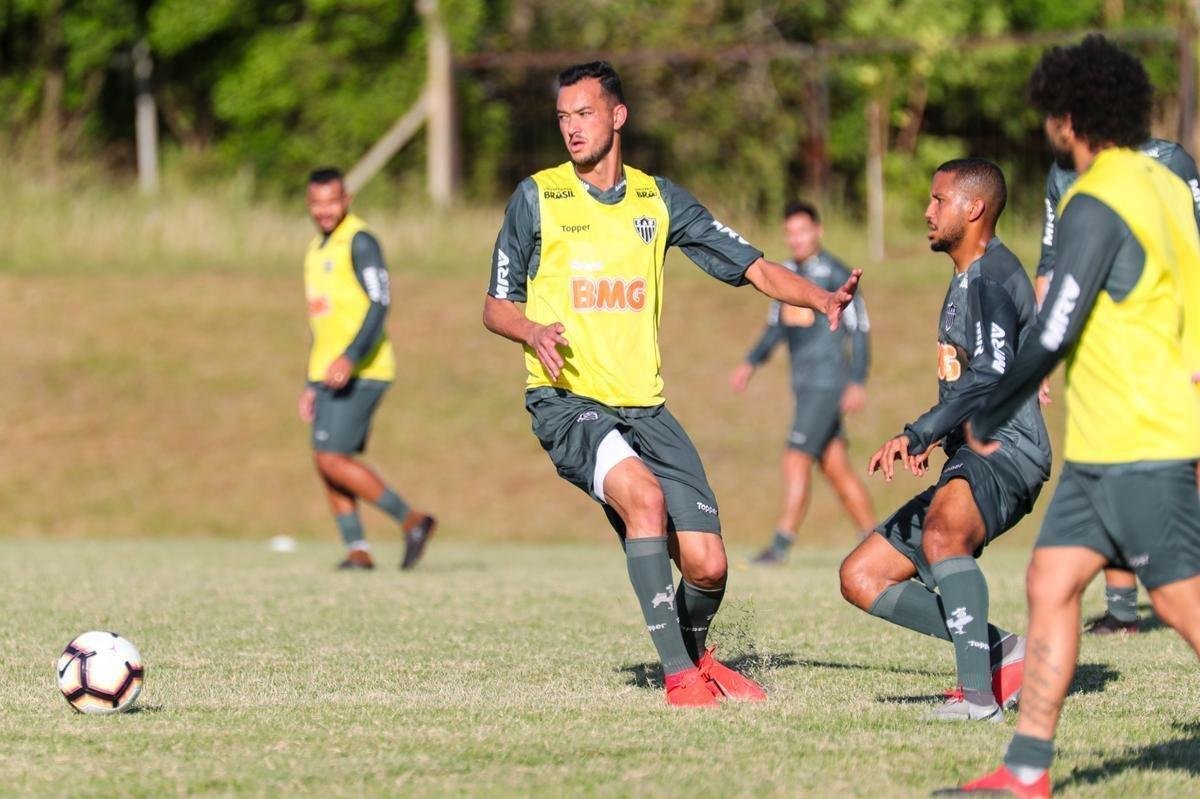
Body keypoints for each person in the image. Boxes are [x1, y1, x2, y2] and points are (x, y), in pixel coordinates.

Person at [481, 61, 860, 707]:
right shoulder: (537, 196)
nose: (573, 129)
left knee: (710, 564)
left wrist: (819, 296)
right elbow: (495, 304)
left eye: (585, 114)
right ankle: (680, 677)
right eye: (564, 118)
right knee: (644, 499)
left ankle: (698, 654)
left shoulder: (658, 200)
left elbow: (754, 266)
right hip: (568, 400)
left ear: (618, 116)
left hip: (647, 407)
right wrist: (531, 330)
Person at [946, 35, 1200, 798]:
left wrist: (993, 403)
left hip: (1136, 434)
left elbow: (1055, 325)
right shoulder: (1161, 184)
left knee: (1182, 601)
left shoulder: (1097, 199)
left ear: (1067, 118)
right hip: (1112, 438)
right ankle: (1026, 769)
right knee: (1052, 580)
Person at [838, 158, 1050, 723]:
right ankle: (1007, 652)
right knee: (862, 576)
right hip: (972, 451)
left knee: (942, 537)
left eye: (939, 200)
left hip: (1005, 450)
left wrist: (920, 431)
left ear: (973, 208)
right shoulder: (969, 277)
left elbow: (990, 377)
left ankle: (977, 697)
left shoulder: (992, 277)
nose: (928, 211)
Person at [1037, 135, 1200, 636]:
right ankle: (1123, 610)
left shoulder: (1169, 162)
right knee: (1109, 470)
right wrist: (1042, 355)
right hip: (1101, 358)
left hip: (1170, 347)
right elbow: (1049, 265)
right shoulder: (1062, 173)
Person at [300, 167, 436, 571]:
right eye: (317, 203)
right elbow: (321, 324)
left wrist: (351, 357)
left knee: (331, 458)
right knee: (326, 457)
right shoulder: (315, 250)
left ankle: (412, 521)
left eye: (332, 201)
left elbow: (380, 304)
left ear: (347, 200)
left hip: (364, 369)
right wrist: (309, 382)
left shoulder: (360, 241)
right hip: (327, 373)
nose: (325, 211)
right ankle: (357, 549)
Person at [729, 201, 875, 563]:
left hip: (827, 384)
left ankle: (780, 545)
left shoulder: (834, 274)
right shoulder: (786, 276)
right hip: (804, 385)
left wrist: (856, 381)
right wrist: (751, 361)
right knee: (836, 467)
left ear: (818, 231)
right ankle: (878, 542)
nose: (795, 239)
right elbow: (776, 327)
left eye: (802, 231)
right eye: (790, 232)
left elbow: (859, 331)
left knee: (796, 458)